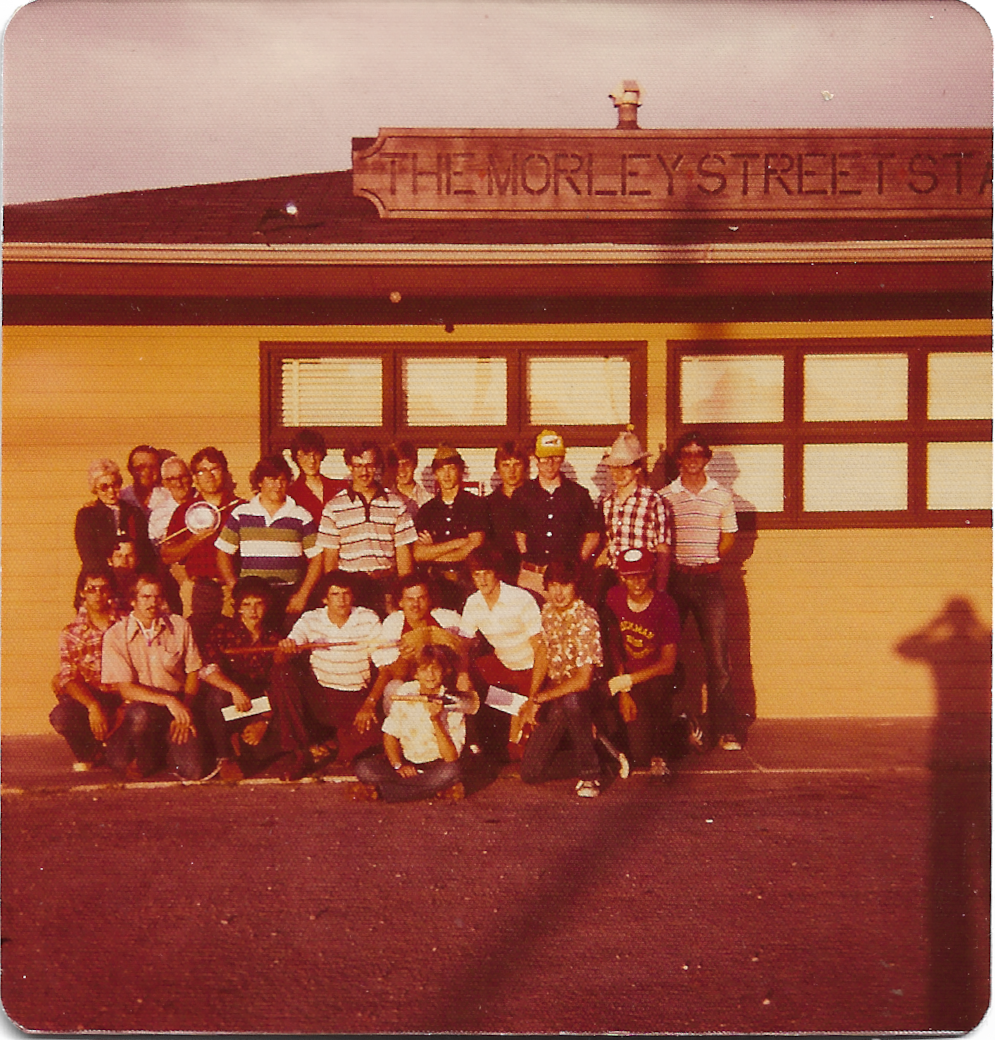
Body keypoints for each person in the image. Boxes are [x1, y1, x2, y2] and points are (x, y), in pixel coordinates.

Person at [660, 430, 742, 751]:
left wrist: (709, 559)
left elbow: (729, 536)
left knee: (719, 657)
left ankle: (726, 729)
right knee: (667, 654)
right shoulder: (666, 496)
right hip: (677, 581)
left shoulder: (721, 494)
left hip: (709, 581)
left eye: (699, 454)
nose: (693, 460)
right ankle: (669, 726)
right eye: (687, 454)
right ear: (678, 459)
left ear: (708, 459)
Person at [198, 576, 316, 781]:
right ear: (238, 607)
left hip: (261, 706)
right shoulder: (222, 631)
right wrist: (234, 689)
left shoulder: (274, 637)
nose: (253, 611)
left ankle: (253, 744)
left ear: (267, 605)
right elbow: (208, 669)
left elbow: (278, 685)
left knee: (288, 711)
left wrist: (264, 720)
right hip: (231, 701)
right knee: (216, 699)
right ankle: (226, 757)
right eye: (247, 605)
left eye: (258, 604)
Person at [100, 573, 210, 781]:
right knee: (125, 750)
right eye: (146, 597)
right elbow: (126, 688)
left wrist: (184, 708)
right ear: (133, 600)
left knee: (193, 771)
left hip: (177, 706)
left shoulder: (179, 626)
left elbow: (193, 670)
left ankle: (164, 751)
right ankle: (147, 756)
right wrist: (169, 701)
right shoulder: (115, 635)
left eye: (157, 597)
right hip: (139, 710)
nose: (153, 603)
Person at [272, 570, 384, 772]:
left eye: (346, 594)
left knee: (365, 751)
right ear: (325, 598)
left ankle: (335, 742)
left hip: (355, 697)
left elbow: (385, 667)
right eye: (335, 594)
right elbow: (280, 658)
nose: (341, 600)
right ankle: (301, 752)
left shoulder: (368, 618)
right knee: (282, 672)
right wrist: (285, 649)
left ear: (353, 596)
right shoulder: (311, 618)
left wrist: (369, 703)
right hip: (321, 697)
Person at [517, 559, 611, 798]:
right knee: (531, 772)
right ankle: (600, 756)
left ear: (575, 586)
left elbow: (583, 681)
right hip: (558, 692)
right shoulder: (547, 611)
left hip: (587, 694)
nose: (558, 592)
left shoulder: (586, 617)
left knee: (572, 701)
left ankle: (590, 775)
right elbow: (544, 655)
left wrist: (542, 697)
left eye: (565, 585)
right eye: (553, 585)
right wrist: (531, 700)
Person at [354, 643, 477, 802]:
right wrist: (398, 765)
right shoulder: (405, 692)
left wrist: (436, 720)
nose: (430, 674)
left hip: (436, 767)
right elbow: (390, 734)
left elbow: (450, 757)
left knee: (453, 771)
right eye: (424, 669)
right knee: (364, 768)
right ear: (416, 673)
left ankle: (387, 792)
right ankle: (428, 789)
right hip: (407, 766)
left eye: (435, 669)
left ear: (444, 672)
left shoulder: (453, 702)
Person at [459, 546, 542, 762]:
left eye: (486, 573)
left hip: (531, 670)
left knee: (519, 750)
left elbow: (541, 649)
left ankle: (519, 716)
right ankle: (480, 739)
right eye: (477, 575)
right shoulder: (473, 602)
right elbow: (465, 644)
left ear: (496, 572)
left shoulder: (520, 598)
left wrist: (534, 695)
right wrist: (462, 673)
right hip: (505, 668)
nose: (483, 580)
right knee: (465, 677)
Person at [216, 455, 324, 621]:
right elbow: (223, 553)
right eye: (272, 479)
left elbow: (317, 557)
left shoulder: (301, 515)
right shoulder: (241, 513)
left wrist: (302, 595)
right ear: (259, 482)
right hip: (253, 599)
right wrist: (234, 588)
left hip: (288, 596)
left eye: (282, 480)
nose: (278, 485)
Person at [603, 548, 681, 778]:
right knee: (638, 755)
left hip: (654, 677)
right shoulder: (614, 598)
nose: (636, 582)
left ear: (651, 574)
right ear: (621, 577)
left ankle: (661, 753)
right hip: (628, 679)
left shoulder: (664, 604)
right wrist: (624, 689)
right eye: (630, 576)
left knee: (660, 688)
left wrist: (628, 680)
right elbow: (614, 645)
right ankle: (682, 729)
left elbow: (668, 663)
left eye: (642, 574)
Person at [358, 572, 468, 734]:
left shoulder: (447, 618)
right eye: (410, 599)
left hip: (445, 683)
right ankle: (402, 738)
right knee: (393, 688)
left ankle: (467, 738)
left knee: (466, 683)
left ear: (430, 599)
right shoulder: (394, 623)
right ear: (400, 601)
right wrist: (404, 658)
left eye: (421, 598)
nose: (415, 605)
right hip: (412, 686)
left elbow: (465, 650)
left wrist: (463, 673)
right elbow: (389, 672)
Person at [316, 440, 416, 616]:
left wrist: (403, 593)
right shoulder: (334, 507)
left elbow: (403, 555)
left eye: (369, 465)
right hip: (351, 588)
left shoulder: (396, 504)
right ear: (349, 466)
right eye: (358, 465)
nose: (364, 472)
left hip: (386, 585)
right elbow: (330, 560)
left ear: (377, 466)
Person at [160, 447, 246, 641]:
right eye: (201, 470)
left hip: (232, 588)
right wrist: (194, 539)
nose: (208, 475)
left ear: (224, 472)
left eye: (214, 468)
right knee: (195, 641)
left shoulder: (241, 507)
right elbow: (167, 555)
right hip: (197, 588)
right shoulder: (184, 511)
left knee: (233, 640)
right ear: (195, 477)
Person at [512, 429, 601, 599]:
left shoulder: (579, 494)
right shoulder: (522, 494)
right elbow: (519, 534)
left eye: (555, 457)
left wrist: (575, 562)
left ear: (562, 459)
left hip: (566, 579)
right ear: (535, 459)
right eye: (544, 458)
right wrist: (530, 560)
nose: (550, 463)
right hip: (533, 576)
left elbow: (593, 535)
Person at [50, 566, 124, 771]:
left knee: (119, 763)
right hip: (93, 696)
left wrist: (125, 704)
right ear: (82, 592)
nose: (98, 595)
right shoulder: (71, 632)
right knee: (61, 716)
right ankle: (91, 752)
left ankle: (114, 750)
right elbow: (68, 677)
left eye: (103, 589)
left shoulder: (127, 623)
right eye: (91, 589)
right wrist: (92, 706)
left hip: (125, 697)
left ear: (111, 591)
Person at [595, 428, 673, 602]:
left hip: (642, 582)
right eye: (614, 467)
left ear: (637, 468)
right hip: (614, 579)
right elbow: (609, 543)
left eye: (625, 467)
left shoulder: (653, 501)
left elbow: (663, 549)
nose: (619, 473)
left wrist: (660, 590)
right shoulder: (607, 502)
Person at [413, 445, 488, 611]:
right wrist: (457, 542)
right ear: (435, 474)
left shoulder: (475, 505)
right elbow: (419, 554)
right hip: (436, 584)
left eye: (451, 468)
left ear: (460, 471)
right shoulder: (427, 510)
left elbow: (474, 547)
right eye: (441, 469)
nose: (446, 475)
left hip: (468, 583)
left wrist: (433, 551)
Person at [74, 458, 154, 574]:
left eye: (115, 485)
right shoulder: (87, 515)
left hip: (134, 575)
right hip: (100, 577)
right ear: (95, 489)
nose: (111, 491)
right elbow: (88, 555)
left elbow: (144, 548)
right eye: (104, 487)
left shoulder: (134, 512)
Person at [485, 439, 529, 584]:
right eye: (506, 465)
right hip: (500, 575)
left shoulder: (537, 499)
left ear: (525, 467)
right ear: (498, 468)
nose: (512, 471)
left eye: (517, 464)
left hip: (530, 572)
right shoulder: (487, 504)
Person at [288, 428, 348, 523]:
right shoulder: (290, 495)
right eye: (305, 454)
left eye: (315, 454)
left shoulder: (340, 487)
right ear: (296, 457)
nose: (312, 460)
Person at [148, 454, 194, 546]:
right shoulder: (158, 514)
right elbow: (155, 547)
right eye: (172, 479)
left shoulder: (203, 503)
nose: (178, 484)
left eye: (183, 477)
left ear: (191, 478)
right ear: (165, 483)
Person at [120, 444, 173, 519]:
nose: (147, 472)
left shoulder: (168, 497)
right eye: (141, 467)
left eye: (152, 467)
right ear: (130, 470)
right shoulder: (122, 497)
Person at [386, 440, 432, 522]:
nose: (401, 470)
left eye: (406, 464)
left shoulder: (428, 499)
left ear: (415, 464)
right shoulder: (383, 500)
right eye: (396, 465)